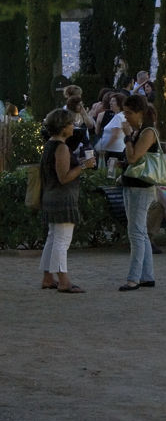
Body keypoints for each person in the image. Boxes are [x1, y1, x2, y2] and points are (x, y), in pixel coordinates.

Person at [120, 95, 166, 290]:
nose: (125, 117)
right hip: (132, 184)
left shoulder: (147, 132)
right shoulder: (139, 131)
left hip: (140, 186)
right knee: (140, 232)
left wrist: (127, 137)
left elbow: (134, 157)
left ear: (140, 113)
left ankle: (134, 278)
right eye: (124, 112)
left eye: (129, 113)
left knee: (135, 232)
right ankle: (146, 275)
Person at [38, 108, 94, 293]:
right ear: (63, 127)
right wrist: (84, 165)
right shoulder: (61, 147)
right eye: (71, 123)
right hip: (62, 198)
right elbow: (64, 177)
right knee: (62, 240)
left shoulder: (50, 145)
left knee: (53, 238)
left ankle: (48, 277)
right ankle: (63, 280)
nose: (73, 126)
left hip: (51, 196)